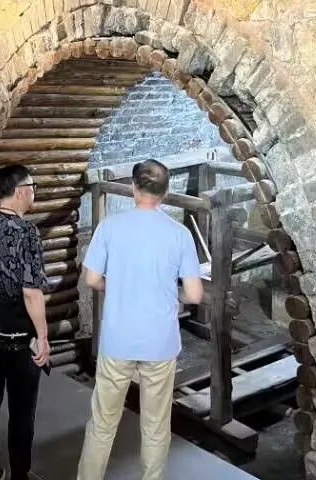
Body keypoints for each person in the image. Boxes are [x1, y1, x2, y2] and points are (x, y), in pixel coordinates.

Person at [76, 160, 203, 480]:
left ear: (134, 188)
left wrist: (117, 286)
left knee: (102, 424)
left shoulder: (110, 227)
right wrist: (171, 294)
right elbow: (194, 294)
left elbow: (91, 279)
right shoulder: (179, 234)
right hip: (160, 343)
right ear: (165, 191)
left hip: (117, 340)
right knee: (156, 426)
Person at [0, 164, 49, 480]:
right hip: (21, 336)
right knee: (22, 409)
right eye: (32, 186)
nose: (34, 191)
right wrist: (43, 336)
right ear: (20, 191)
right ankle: (19, 473)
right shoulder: (27, 232)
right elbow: (31, 292)